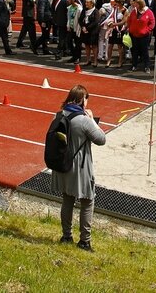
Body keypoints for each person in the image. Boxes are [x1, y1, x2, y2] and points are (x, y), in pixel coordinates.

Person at [50, 84, 106, 251]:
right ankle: (84, 241)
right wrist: (92, 120)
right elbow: (101, 139)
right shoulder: (83, 120)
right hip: (81, 168)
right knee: (87, 201)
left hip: (63, 165)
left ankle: (66, 236)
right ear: (83, 100)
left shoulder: (60, 114)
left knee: (67, 199)